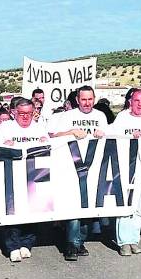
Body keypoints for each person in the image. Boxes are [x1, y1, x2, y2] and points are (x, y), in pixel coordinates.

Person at [48, 85, 108, 261]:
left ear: (94, 99)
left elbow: (109, 139)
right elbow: (54, 136)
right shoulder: (68, 116)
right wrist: (71, 132)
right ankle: (72, 244)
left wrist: (103, 134)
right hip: (71, 167)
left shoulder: (100, 116)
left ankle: (80, 241)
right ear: (77, 100)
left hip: (93, 168)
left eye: (90, 99)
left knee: (86, 207)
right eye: (83, 99)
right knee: (73, 206)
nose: (87, 103)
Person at [0, 98, 49, 262]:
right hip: (11, 177)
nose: (26, 117)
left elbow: (50, 148)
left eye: (29, 114)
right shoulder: (5, 127)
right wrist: (4, 145)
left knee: (32, 211)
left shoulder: (39, 128)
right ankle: (12, 246)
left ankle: (27, 243)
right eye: (22, 114)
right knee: (12, 212)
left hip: (33, 178)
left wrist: (46, 143)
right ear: (14, 113)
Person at [110, 88, 141, 256]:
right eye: (136, 100)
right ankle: (123, 241)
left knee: (139, 207)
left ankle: (134, 239)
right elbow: (112, 135)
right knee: (125, 206)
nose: (139, 104)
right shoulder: (122, 118)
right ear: (130, 101)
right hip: (126, 169)